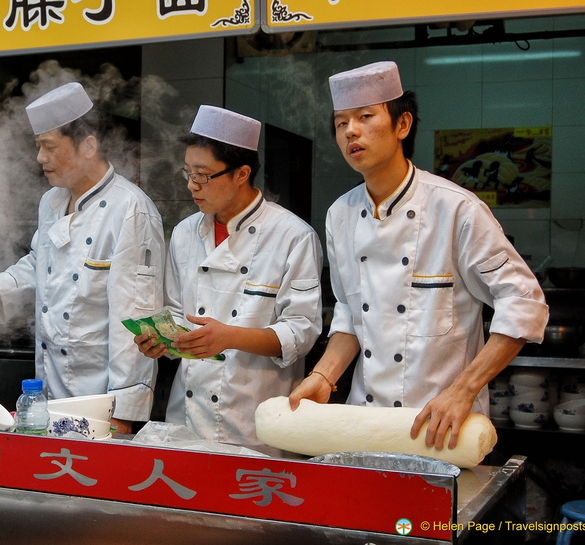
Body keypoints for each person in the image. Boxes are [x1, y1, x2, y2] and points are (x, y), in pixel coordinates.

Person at [288, 61, 548, 451]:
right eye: (341, 123)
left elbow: (524, 303)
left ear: (402, 124)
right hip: (366, 424)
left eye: (365, 116)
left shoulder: (456, 209)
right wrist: (323, 377)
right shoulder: (339, 214)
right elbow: (350, 313)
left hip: (444, 426)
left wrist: (464, 390)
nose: (351, 131)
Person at [0, 82, 165, 434]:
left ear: (88, 145)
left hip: (101, 399)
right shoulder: (52, 201)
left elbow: (136, 319)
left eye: (49, 147)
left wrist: (124, 413)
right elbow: (39, 263)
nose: (40, 158)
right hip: (47, 386)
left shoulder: (130, 209)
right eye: (38, 146)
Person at [134, 105, 323, 450]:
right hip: (187, 418)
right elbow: (178, 311)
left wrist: (229, 337)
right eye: (188, 173)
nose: (193, 186)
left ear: (241, 173)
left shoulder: (293, 236)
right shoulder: (184, 232)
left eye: (203, 175)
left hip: (255, 420)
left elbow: (301, 331)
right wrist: (162, 340)